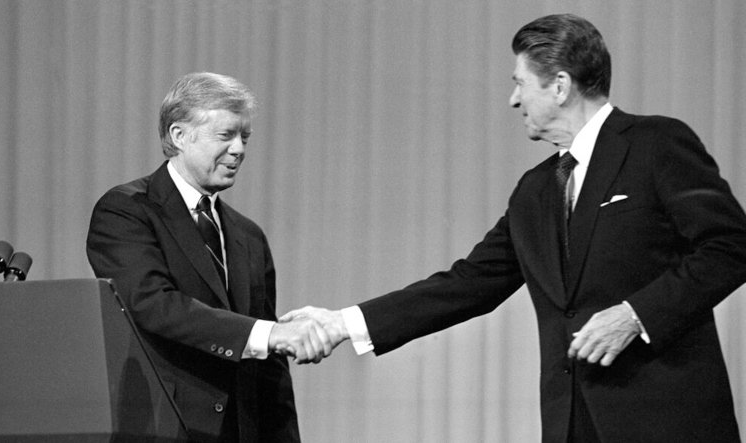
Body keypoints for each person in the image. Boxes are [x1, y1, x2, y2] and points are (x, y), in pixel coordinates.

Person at [282, 14, 746, 443]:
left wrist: (635, 315)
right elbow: (469, 284)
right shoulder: (537, 190)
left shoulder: (655, 144)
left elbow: (731, 245)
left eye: (520, 83)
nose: (513, 98)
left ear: (560, 86)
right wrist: (341, 322)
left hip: (668, 422)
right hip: (572, 424)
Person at [87, 72, 333, 442]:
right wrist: (271, 334)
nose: (239, 149)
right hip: (164, 429)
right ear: (179, 136)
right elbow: (152, 304)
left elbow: (270, 371)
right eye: (226, 135)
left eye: (244, 137)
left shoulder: (248, 235)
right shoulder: (126, 211)